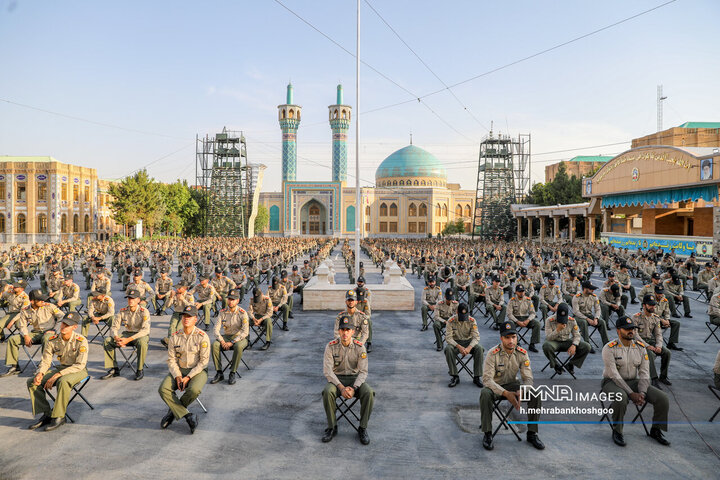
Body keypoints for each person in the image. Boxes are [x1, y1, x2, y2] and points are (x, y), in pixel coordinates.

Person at [601, 315, 670, 447]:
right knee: (621, 398)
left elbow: (644, 373)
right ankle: (617, 431)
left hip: (633, 381)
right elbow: (613, 374)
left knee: (663, 398)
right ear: (618, 330)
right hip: (611, 382)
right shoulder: (609, 348)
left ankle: (656, 430)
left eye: (632, 328)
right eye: (627, 329)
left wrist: (642, 393)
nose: (631, 331)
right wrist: (631, 393)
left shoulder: (640, 347)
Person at [480, 321, 544, 451]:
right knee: (485, 394)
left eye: (513, 337)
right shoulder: (493, 354)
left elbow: (528, 379)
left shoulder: (522, 353)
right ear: (501, 338)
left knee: (535, 393)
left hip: (513, 385)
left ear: (517, 337)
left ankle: (532, 433)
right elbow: (487, 380)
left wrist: (522, 389)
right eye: (507, 337)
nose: (511, 341)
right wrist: (505, 393)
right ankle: (487, 434)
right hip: (496, 387)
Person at [26, 312, 88, 432]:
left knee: (63, 381)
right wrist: (40, 373)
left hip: (78, 370)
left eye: (68, 325)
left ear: (74, 327)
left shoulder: (81, 341)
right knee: (32, 382)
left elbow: (80, 365)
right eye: (63, 323)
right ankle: (47, 414)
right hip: (62, 367)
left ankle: (59, 416)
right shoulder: (53, 340)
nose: (63, 327)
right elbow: (46, 361)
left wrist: (59, 375)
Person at [321, 314, 373, 445]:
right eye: (343, 330)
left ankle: (362, 427)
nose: (345, 333)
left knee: (369, 393)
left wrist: (354, 388)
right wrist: (341, 388)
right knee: (327, 392)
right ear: (339, 331)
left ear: (353, 332)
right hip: (337, 380)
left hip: (355, 380)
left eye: (348, 330)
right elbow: (328, 371)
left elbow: (363, 372)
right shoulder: (330, 346)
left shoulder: (360, 347)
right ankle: (332, 427)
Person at [158, 305, 209, 434]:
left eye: (189, 316)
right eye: (184, 316)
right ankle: (188, 416)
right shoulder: (175, 337)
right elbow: (171, 360)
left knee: (194, 389)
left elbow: (203, 362)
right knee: (163, 389)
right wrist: (178, 375)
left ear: (195, 319)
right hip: (179, 370)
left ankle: (172, 414)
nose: (186, 319)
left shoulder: (202, 337)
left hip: (197, 371)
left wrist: (188, 377)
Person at [1, 289, 64, 377]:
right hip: (35, 333)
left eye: (43, 299)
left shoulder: (49, 306)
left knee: (47, 338)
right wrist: (26, 336)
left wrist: (54, 330)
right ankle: (14, 366)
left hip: (49, 332)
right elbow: (22, 325)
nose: (43, 301)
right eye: (40, 300)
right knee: (12, 339)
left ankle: (43, 367)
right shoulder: (25, 310)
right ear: (32, 301)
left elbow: (62, 318)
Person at [101, 288, 151, 381]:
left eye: (133, 298)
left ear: (138, 300)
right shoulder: (122, 311)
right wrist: (116, 337)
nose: (130, 300)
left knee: (142, 342)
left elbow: (145, 330)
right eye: (129, 298)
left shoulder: (144, 311)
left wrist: (128, 340)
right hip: (126, 334)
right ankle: (114, 369)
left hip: (139, 335)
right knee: (107, 341)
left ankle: (140, 369)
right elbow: (114, 327)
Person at [210, 289, 248, 385]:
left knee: (238, 346)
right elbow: (215, 329)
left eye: (233, 299)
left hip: (240, 337)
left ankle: (232, 372)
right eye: (229, 299)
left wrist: (232, 342)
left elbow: (245, 332)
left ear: (237, 301)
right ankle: (219, 373)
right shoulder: (222, 312)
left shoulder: (242, 313)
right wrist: (222, 341)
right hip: (226, 337)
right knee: (214, 344)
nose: (230, 301)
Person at [633, 295, 672, 388]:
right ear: (644, 305)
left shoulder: (655, 318)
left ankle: (663, 376)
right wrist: (646, 346)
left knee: (667, 352)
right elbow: (635, 335)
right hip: (639, 343)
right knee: (650, 354)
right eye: (650, 305)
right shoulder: (636, 317)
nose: (653, 307)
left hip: (651, 341)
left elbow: (658, 334)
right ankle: (654, 378)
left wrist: (658, 346)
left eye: (654, 305)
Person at [542, 303, 590, 376]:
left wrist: (574, 345)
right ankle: (556, 365)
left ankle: (571, 364)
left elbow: (577, 335)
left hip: (567, 341)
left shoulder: (572, 320)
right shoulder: (549, 320)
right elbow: (548, 337)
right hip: (554, 342)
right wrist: (557, 330)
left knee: (586, 346)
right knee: (546, 346)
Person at [444, 303, 484, 388]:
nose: (463, 320)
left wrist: (469, 348)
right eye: (461, 316)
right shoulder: (451, 321)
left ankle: (477, 377)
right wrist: (459, 346)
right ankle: (455, 376)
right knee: (448, 349)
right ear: (457, 312)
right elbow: (448, 338)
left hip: (468, 342)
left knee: (479, 349)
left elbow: (476, 337)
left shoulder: (472, 320)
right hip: (456, 342)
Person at [572, 281, 608, 354]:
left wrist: (596, 318)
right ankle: (587, 344)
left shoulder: (594, 297)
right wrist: (587, 319)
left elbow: (598, 309)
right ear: (585, 289)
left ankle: (606, 343)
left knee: (602, 322)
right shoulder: (576, 297)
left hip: (589, 315)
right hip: (579, 317)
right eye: (591, 289)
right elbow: (576, 312)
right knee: (584, 322)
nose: (593, 290)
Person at [506, 284, 540, 353]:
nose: (521, 293)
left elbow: (533, 313)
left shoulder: (528, 300)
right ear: (516, 292)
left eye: (523, 291)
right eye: (519, 291)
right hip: (515, 318)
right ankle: (516, 343)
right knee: (509, 324)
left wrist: (528, 320)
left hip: (525, 318)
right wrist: (517, 321)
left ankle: (532, 344)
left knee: (537, 324)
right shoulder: (512, 301)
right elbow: (509, 314)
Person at [248, 287, 273, 351]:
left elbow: (270, 313)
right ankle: (247, 341)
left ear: (261, 294)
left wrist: (260, 320)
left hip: (264, 317)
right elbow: (249, 312)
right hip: (256, 317)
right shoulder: (252, 300)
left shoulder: (267, 299)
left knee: (269, 321)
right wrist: (253, 319)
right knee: (245, 322)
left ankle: (268, 341)